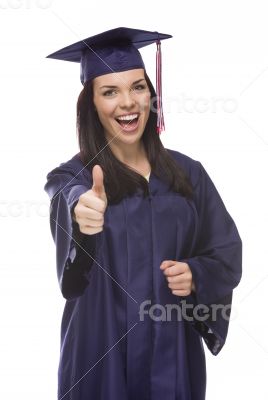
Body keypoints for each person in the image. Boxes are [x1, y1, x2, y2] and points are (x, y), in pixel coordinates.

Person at [44, 27, 242, 400]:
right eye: (109, 92)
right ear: (91, 105)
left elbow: (226, 251)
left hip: (173, 362)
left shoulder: (189, 175)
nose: (127, 102)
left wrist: (196, 275)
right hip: (100, 362)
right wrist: (81, 216)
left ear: (151, 94)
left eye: (137, 87)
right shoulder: (75, 177)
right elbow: (66, 197)